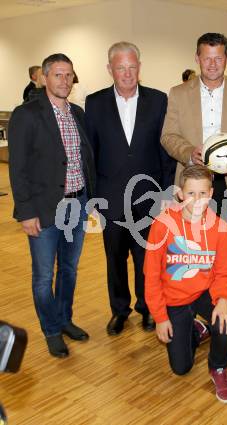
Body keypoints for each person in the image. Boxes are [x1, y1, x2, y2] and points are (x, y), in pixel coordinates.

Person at [85, 42, 176, 336]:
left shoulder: (159, 100)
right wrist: (94, 198)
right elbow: (91, 153)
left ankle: (149, 308)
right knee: (114, 259)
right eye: (120, 67)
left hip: (148, 197)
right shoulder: (95, 103)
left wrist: (166, 192)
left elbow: (165, 151)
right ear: (110, 69)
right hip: (110, 198)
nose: (127, 73)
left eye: (132, 67)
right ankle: (119, 310)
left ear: (139, 67)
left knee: (147, 259)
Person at [8, 53, 96, 358]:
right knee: (44, 275)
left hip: (78, 204)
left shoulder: (78, 113)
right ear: (44, 77)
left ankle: (65, 319)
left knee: (69, 269)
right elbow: (17, 169)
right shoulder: (27, 114)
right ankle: (51, 330)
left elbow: (87, 160)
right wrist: (26, 212)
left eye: (69, 75)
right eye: (58, 75)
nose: (64, 81)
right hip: (44, 209)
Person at [145, 164, 227, 403]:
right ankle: (195, 331)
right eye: (191, 194)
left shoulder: (220, 228)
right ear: (179, 194)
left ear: (211, 193)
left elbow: (225, 272)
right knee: (181, 368)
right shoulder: (162, 225)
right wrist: (160, 317)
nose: (197, 200)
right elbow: (152, 276)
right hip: (173, 299)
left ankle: (218, 368)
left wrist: (224, 300)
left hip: (204, 292)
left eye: (203, 194)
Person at [161, 33, 227, 217]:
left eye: (218, 58)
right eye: (207, 58)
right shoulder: (178, 93)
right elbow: (168, 135)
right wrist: (189, 152)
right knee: (192, 244)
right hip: (191, 181)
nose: (212, 64)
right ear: (197, 58)